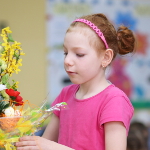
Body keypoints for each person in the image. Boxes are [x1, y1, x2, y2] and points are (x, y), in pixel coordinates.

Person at [15, 13, 135, 150]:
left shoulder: (114, 100)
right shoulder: (65, 95)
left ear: (106, 57)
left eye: (79, 54)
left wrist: (51, 147)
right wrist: (11, 141)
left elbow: (48, 146)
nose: (67, 61)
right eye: (66, 53)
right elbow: (43, 144)